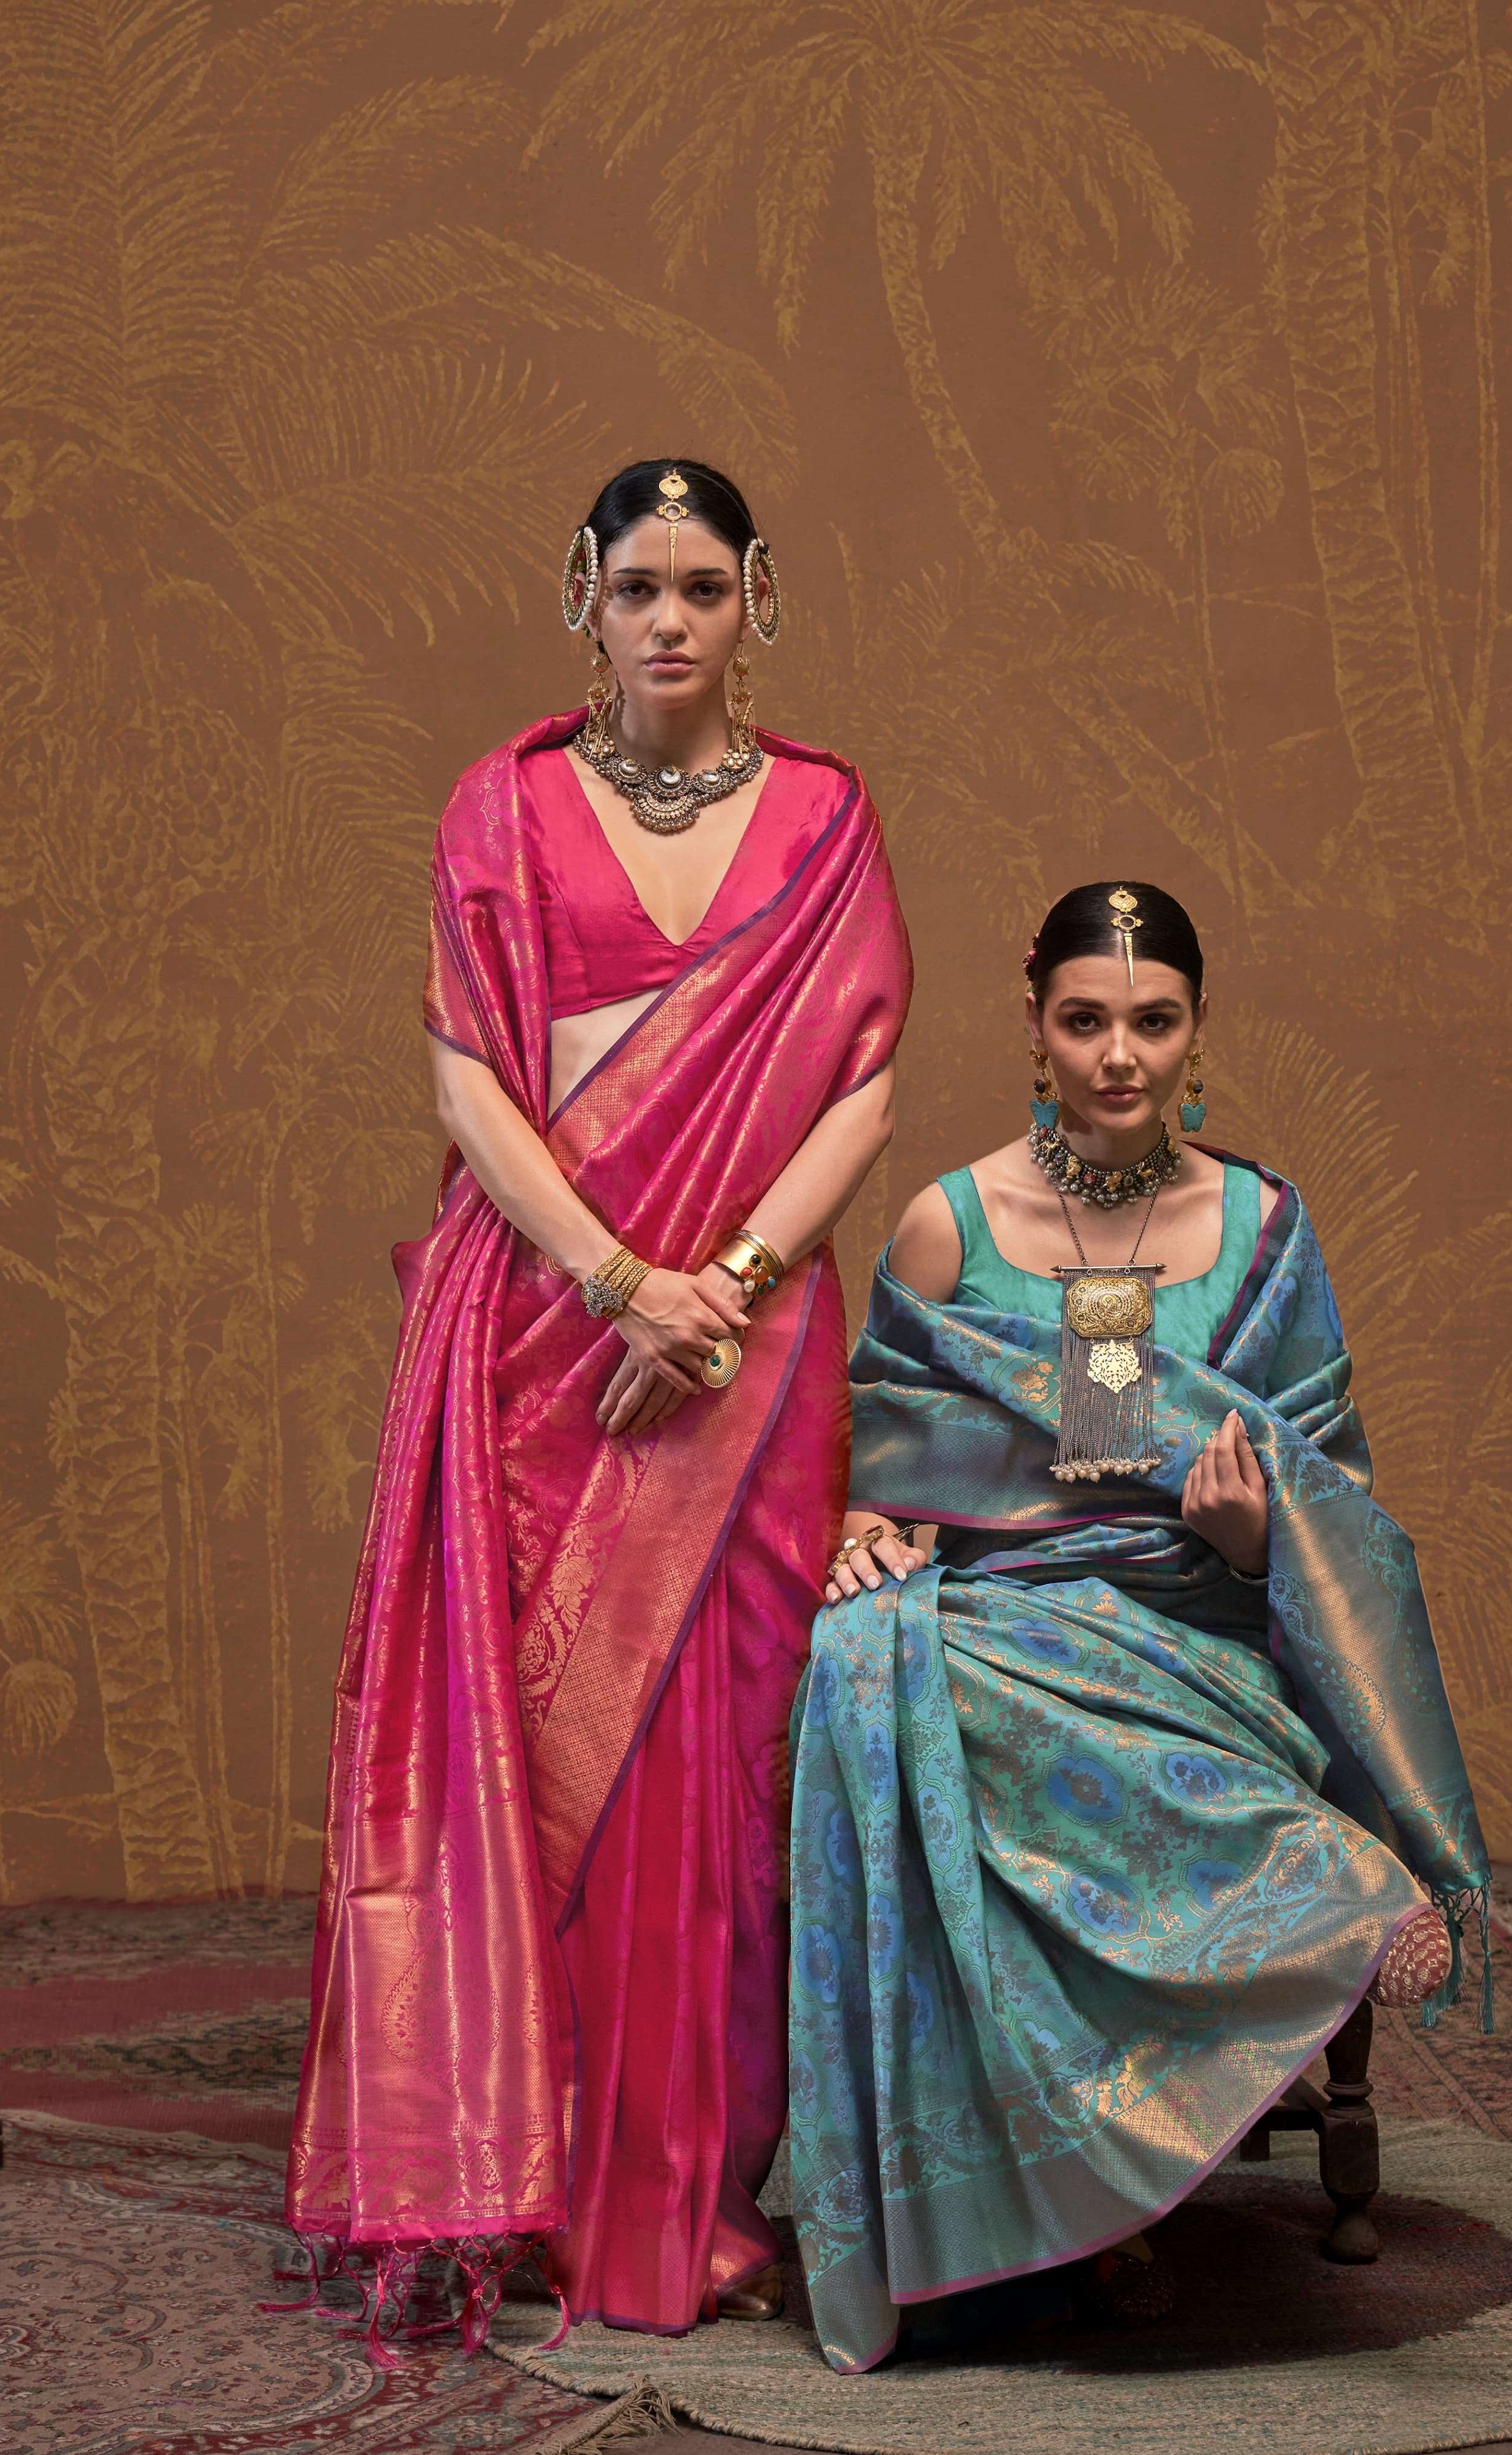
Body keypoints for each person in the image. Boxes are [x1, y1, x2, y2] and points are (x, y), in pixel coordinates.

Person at [284, 459, 912, 2353]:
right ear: (585, 594)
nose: (668, 619)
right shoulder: (501, 805)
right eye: (636, 584)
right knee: (536, 1748)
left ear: (755, 598)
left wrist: (725, 1290)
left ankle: (692, 2188)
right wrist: (625, 1282)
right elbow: (470, 1080)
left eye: (703, 586)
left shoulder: (824, 818)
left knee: (720, 1763)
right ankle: (525, 2173)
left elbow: (861, 1086)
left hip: (748, 1352)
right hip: (542, 1338)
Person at [788, 880, 1490, 2374]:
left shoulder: (1262, 1228)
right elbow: (873, 1470)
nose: (1119, 1056)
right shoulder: (948, 1226)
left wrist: (1256, 1539)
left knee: (1026, 1713)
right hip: (1007, 1617)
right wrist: (860, 1534)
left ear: (1195, 1030)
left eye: (1153, 1022)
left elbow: (1336, 1498)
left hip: (1201, 1621)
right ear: (1034, 1026)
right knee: (891, 1670)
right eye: (1085, 1021)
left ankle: (1348, 1897)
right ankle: (1086, 2208)